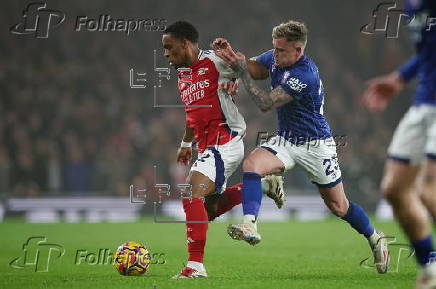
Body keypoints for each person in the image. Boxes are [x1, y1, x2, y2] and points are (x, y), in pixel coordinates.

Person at [211, 20, 389, 273]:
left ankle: (375, 238)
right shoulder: (275, 57)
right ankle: (249, 224)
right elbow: (254, 68)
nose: (275, 54)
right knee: (252, 164)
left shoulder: (304, 74)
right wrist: (232, 59)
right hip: (287, 141)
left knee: (339, 206)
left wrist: (241, 73)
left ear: (298, 51)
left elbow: (264, 102)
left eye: (281, 51)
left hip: (317, 146)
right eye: (274, 48)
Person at [162, 21, 284, 279]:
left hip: (226, 141)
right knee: (206, 212)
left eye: (169, 48)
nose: (165, 54)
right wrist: (186, 143)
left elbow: (253, 71)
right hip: (208, 147)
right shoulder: (183, 74)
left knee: (190, 193)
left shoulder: (214, 62)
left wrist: (236, 69)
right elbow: (193, 113)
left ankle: (195, 267)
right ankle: (263, 186)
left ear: (185, 44)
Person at [362, 1, 436, 287]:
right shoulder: (411, 8)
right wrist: (399, 78)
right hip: (423, 104)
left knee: (428, 192)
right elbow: (427, 55)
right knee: (394, 189)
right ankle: (429, 266)